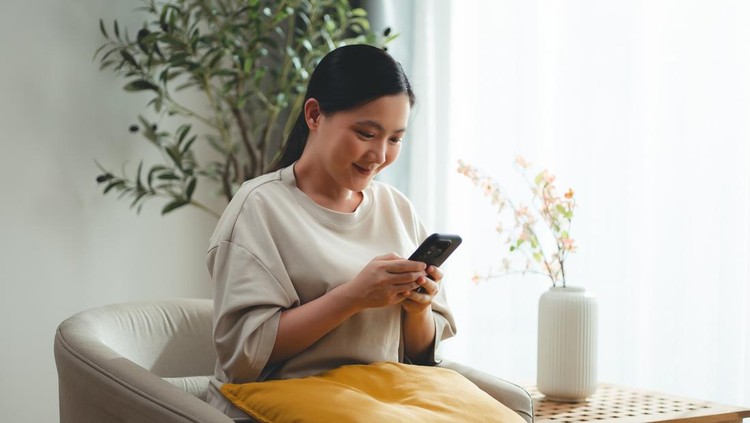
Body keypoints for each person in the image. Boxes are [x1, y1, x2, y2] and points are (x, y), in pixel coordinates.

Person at [205, 44, 456, 418]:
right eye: (366, 132)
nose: (380, 154)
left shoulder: (395, 207)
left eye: (395, 139)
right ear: (314, 114)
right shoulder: (259, 207)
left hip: (379, 399)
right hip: (288, 402)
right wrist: (353, 296)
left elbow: (421, 356)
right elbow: (245, 354)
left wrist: (417, 308)